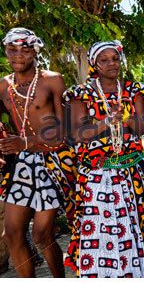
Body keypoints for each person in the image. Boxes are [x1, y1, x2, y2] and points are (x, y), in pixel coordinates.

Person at [63, 40, 144, 277]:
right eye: (104, 60)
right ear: (95, 63)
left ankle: (137, 275)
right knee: (99, 231)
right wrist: (105, 122)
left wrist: (125, 119)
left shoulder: (131, 90)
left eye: (114, 59)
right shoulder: (82, 93)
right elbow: (78, 134)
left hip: (131, 172)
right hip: (97, 173)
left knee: (136, 227)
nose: (111, 64)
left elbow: (142, 127)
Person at [0, 28, 76, 277]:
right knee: (12, 234)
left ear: (35, 52)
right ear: (5, 51)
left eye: (25, 49)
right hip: (21, 165)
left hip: (51, 162)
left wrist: (27, 142)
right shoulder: (3, 86)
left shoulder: (51, 80)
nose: (18, 55)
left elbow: (66, 131)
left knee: (42, 234)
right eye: (12, 50)